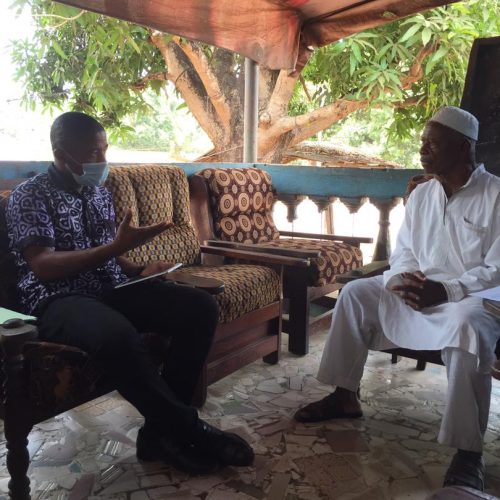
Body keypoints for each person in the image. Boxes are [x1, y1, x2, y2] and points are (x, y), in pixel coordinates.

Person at [6, 111, 254, 475]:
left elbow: (111, 252)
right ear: (61, 153)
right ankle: (189, 429)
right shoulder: (28, 196)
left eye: (104, 150)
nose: (103, 162)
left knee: (199, 307)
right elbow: (42, 263)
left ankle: (158, 435)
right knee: (117, 334)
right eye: (93, 154)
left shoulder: (96, 192)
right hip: (57, 299)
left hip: (110, 287)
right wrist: (112, 251)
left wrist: (140, 269)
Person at [294, 106, 500, 491]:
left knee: (470, 326)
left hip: (468, 297)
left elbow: (497, 268)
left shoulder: (496, 195)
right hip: (419, 290)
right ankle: (344, 395)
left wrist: (447, 289)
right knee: (356, 293)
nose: (423, 150)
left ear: (461, 147)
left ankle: (468, 452)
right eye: (422, 142)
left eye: (432, 143)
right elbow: (404, 250)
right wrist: (403, 281)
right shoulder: (422, 194)